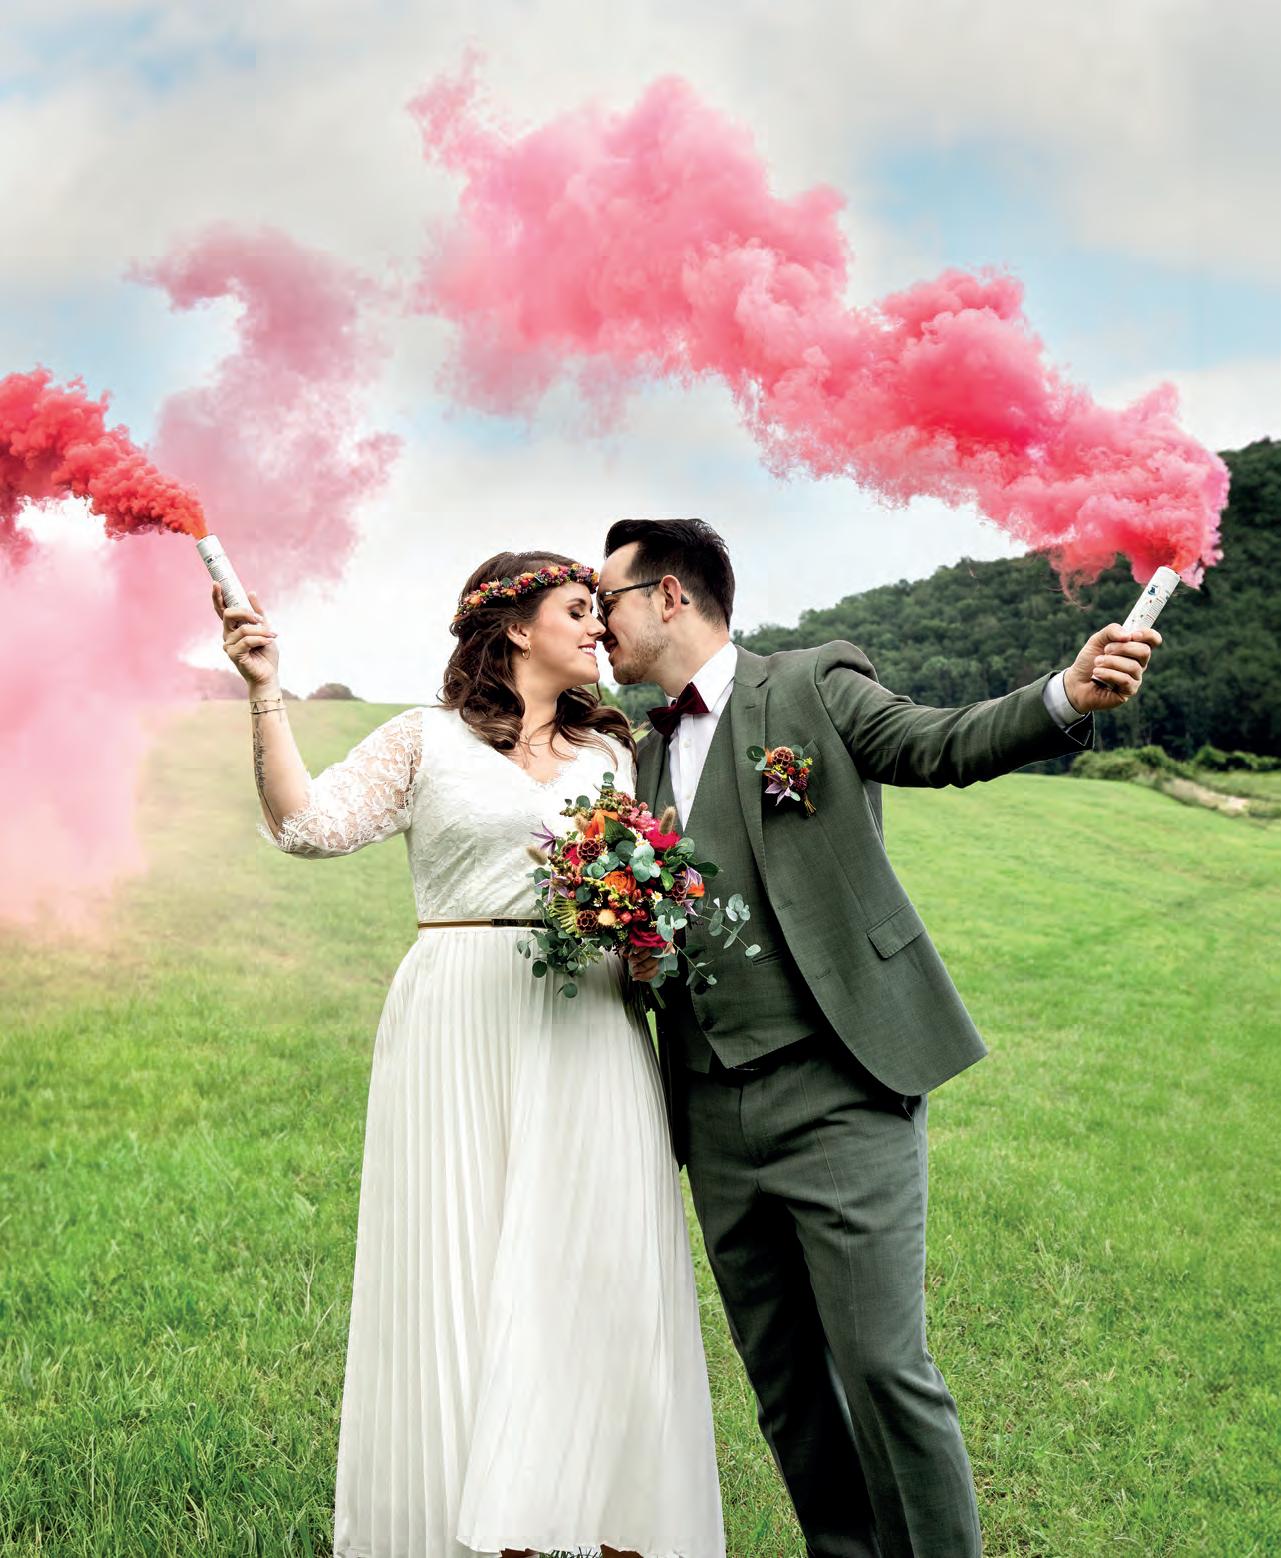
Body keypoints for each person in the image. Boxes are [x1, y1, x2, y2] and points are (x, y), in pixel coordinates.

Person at [599, 517, 1160, 1558]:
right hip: (710, 1110)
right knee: (787, 1389)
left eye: (608, 601)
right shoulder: (640, 756)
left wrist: (1063, 696)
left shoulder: (809, 684)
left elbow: (934, 743)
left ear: (669, 595)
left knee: (883, 1371)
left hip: (841, 1084)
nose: (599, 625)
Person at [213, 552, 725, 1558]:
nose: (598, 626)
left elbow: (642, 889)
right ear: (516, 627)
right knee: (460, 1261)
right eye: (578, 610)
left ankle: (609, 1524)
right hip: (455, 1017)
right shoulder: (425, 740)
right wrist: (266, 689)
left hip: (589, 1022)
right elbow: (306, 826)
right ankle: (468, 1525)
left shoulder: (611, 753)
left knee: (596, 1260)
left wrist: (644, 931)